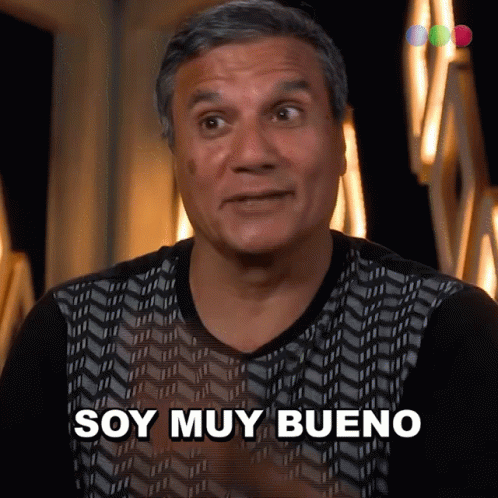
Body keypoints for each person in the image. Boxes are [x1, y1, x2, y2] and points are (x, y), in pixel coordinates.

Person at [1, 0, 497, 496]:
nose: (253, 155)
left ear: (339, 144)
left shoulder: (443, 328)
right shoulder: (73, 331)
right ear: (176, 152)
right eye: (213, 122)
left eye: (285, 114)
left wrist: (250, 466)